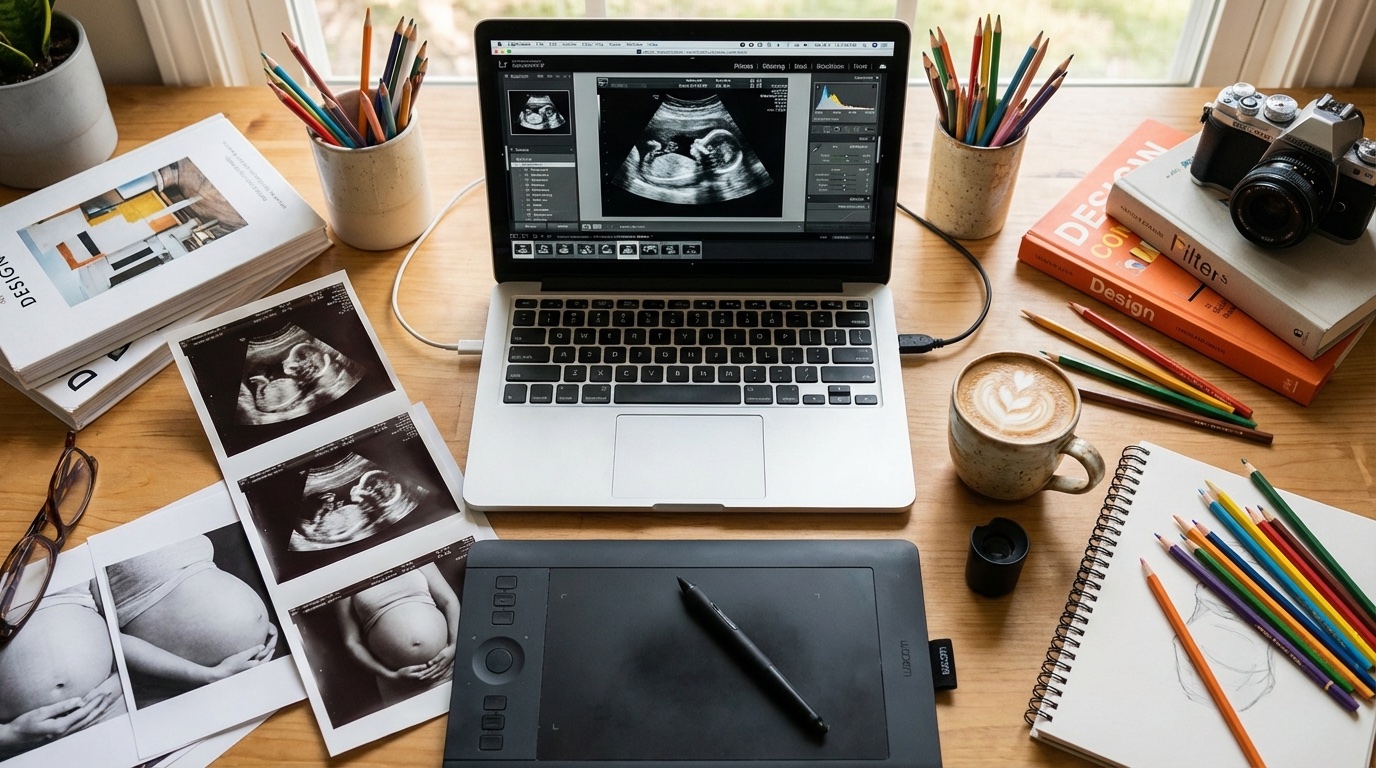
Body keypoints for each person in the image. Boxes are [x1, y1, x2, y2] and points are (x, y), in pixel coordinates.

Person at [107, 534, 278, 706]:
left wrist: (258, 623)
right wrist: (209, 675)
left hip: (250, 662)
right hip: (182, 682)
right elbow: (107, 637)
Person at [0, 581, 124, 758]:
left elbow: (119, 635)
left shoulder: (80, 557)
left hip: (108, 709)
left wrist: (121, 682)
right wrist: (7, 735)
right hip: (21, 744)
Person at [333, 563, 459, 705]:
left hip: (446, 666)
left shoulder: (414, 551)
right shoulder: (343, 579)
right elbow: (352, 642)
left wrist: (455, 647)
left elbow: (449, 601)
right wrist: (391, 676)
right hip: (399, 683)